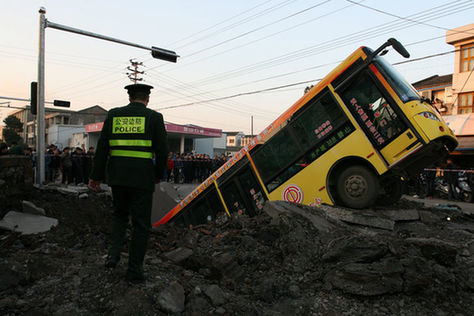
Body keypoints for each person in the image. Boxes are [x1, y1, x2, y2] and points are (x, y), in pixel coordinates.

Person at [88, 83, 168, 283]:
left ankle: (113, 255)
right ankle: (134, 272)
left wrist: (96, 176)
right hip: (142, 179)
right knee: (140, 225)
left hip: (118, 177)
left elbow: (102, 148)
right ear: (147, 99)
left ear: (130, 97)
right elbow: (163, 151)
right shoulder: (154, 118)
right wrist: (158, 174)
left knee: (119, 215)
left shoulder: (114, 115)